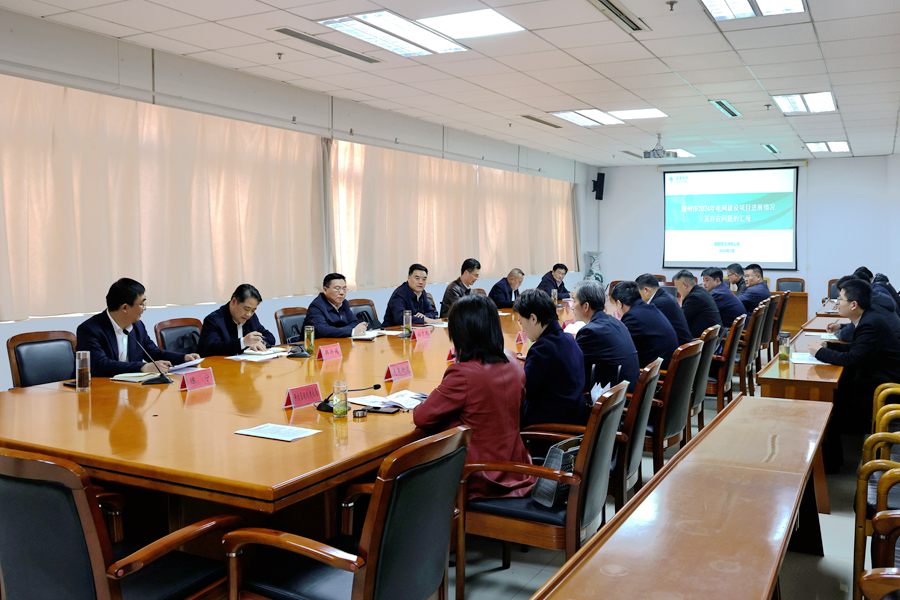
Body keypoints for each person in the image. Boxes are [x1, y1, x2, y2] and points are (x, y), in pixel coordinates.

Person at [413, 294, 535, 500]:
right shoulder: (515, 364)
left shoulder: (463, 374)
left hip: (480, 476)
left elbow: (422, 417)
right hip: (517, 468)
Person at [809, 279, 900, 448]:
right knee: (836, 386)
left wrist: (820, 352)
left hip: (883, 383)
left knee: (830, 397)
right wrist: (828, 346)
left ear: (853, 305)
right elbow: (857, 349)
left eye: (840, 299)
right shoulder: (869, 317)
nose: (837, 302)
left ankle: (834, 454)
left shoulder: (870, 323)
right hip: (876, 375)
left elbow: (851, 359)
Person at [76, 278, 199, 377]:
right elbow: (99, 365)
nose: (144, 308)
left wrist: (183, 358)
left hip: (132, 389)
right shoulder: (89, 329)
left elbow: (154, 353)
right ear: (125, 308)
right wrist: (142, 367)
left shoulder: (137, 326)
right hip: (101, 390)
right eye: (141, 304)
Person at [514, 289, 585, 427]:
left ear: (533, 319)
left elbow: (523, 392)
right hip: (574, 415)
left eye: (521, 322)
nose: (522, 329)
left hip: (551, 425)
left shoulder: (542, 349)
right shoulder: (568, 339)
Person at [572, 280, 640, 393]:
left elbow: (571, 366)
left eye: (574, 301)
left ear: (586, 306)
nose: (572, 307)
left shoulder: (591, 332)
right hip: (626, 392)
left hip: (614, 399)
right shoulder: (615, 322)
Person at [611, 281, 679, 369]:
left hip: (657, 372)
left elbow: (621, 347)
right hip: (666, 364)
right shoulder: (648, 308)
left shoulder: (632, 317)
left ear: (619, 304)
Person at [198, 284, 276, 356]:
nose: (249, 314)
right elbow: (212, 348)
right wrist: (243, 342)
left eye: (253, 310)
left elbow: (269, 337)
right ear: (234, 301)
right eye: (246, 309)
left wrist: (259, 342)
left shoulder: (251, 318)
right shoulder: (213, 320)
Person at [826, 275, 900, 341]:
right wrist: (840, 326)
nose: (838, 302)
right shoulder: (874, 297)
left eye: (841, 298)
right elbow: (858, 325)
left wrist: (836, 333)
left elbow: (848, 334)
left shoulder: (869, 305)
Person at [305, 273, 367, 338]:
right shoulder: (316, 306)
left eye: (344, 289)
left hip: (340, 341)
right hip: (320, 343)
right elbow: (322, 330)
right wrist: (351, 331)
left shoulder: (344, 303)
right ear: (325, 290)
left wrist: (341, 331)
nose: (342, 293)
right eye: (337, 289)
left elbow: (354, 322)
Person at [635, 273, 691, 345]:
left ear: (646, 290)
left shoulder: (658, 304)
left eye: (638, 292)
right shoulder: (665, 296)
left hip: (679, 347)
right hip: (683, 345)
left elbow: (645, 328)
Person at [673, 269, 722, 339]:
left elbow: (679, 319)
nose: (678, 291)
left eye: (677, 288)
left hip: (704, 341)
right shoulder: (702, 291)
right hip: (712, 339)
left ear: (685, 285)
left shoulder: (694, 298)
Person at [702, 267, 746, 331]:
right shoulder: (723, 288)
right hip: (735, 330)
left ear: (717, 280)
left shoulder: (718, 293)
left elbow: (705, 313)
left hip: (730, 332)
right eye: (703, 280)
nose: (704, 283)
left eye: (707, 280)